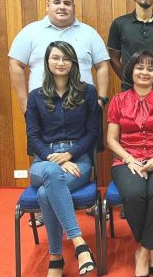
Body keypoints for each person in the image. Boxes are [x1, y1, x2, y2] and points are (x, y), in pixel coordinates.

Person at [9, 0, 110, 227]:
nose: (62, 6)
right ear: (47, 5)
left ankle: (67, 204)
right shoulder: (31, 32)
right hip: (44, 109)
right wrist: (25, 103)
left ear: (74, 6)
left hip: (82, 108)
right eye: (57, 2)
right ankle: (55, 209)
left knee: (85, 160)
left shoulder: (88, 33)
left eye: (67, 2)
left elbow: (103, 65)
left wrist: (100, 101)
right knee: (44, 158)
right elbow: (15, 64)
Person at [25, 41, 100, 276]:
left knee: (47, 193)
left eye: (65, 58)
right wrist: (54, 159)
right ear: (47, 62)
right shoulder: (35, 96)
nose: (60, 62)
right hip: (42, 161)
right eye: (55, 58)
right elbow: (33, 136)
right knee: (50, 172)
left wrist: (69, 154)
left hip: (78, 159)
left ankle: (56, 258)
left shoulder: (87, 92)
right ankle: (79, 244)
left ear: (73, 63)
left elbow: (93, 132)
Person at [106, 50, 153, 277]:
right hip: (127, 159)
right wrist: (129, 159)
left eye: (150, 68)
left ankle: (143, 252)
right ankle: (151, 250)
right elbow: (110, 139)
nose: (144, 72)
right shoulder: (118, 100)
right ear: (131, 71)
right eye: (139, 67)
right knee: (135, 194)